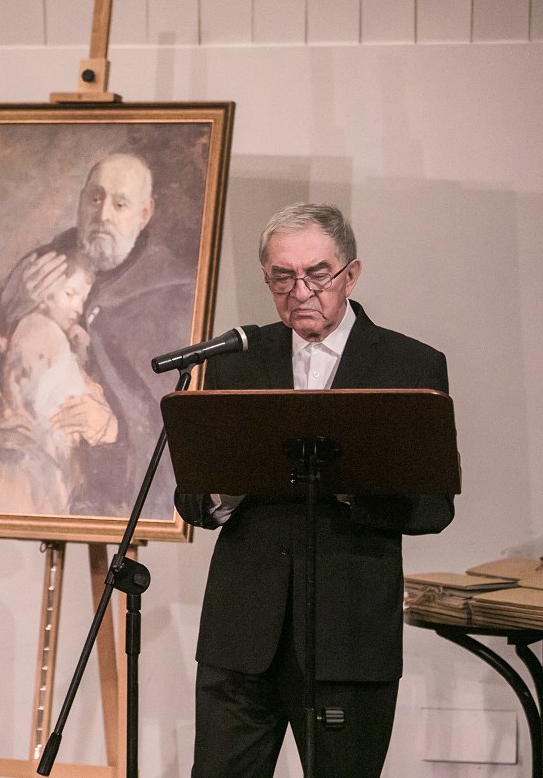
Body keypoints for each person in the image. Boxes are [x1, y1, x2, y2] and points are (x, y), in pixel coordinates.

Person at [176, 203, 454, 778]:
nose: (299, 291)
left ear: (351, 275)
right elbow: (191, 496)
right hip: (241, 636)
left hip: (348, 638)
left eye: (317, 274)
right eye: (282, 277)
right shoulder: (235, 363)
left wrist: (355, 488)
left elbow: (433, 506)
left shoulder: (409, 365)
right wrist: (223, 495)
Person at [0, 152, 194, 518]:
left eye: (120, 204)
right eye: (95, 198)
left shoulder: (174, 295)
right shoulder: (44, 266)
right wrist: (6, 313)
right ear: (81, 201)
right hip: (22, 472)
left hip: (106, 500)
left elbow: (173, 424)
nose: (103, 215)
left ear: (145, 213)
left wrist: (113, 429)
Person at [0, 251, 116, 514]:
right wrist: (81, 356)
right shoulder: (40, 329)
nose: (78, 308)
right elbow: (68, 393)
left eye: (82, 299)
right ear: (45, 293)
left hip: (39, 459)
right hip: (25, 461)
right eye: (70, 294)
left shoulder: (49, 333)